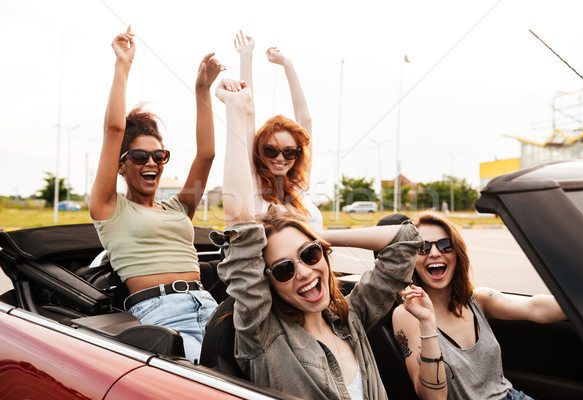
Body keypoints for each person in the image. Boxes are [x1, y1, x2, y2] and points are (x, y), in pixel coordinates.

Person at [211, 78, 432, 399]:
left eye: (310, 255)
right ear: (267, 280)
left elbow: (405, 239)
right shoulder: (265, 335)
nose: (302, 270)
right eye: (285, 269)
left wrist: (312, 236)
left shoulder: (351, 316)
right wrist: (235, 108)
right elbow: (239, 222)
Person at [89, 26, 223, 363]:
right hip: (161, 314)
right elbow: (114, 129)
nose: (151, 162)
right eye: (139, 156)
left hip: (209, 306)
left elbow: (206, 155)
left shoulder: (179, 206)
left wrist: (202, 89)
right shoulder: (109, 208)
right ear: (121, 166)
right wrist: (123, 65)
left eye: (159, 156)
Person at [391, 211, 566, 399]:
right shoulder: (408, 314)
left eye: (445, 246)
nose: (434, 253)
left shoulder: (479, 300)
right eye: (422, 248)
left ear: (457, 253)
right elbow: (433, 397)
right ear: (411, 259)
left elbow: (534, 307)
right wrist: (426, 321)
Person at [234, 31, 323, 230]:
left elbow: (305, 120)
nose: (280, 158)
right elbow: (248, 116)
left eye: (289, 151)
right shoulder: (254, 184)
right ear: (260, 151)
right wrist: (246, 56)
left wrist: (287, 65)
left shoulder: (299, 184)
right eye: (271, 151)